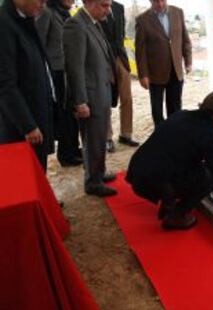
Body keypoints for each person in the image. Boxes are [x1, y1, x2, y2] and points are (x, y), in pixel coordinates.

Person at [126, 90, 213, 230]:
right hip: (153, 181)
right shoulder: (211, 135)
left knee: (189, 165)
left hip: (138, 170)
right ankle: (176, 216)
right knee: (209, 177)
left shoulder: (182, 114)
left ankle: (168, 201)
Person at [63, 0, 118, 197]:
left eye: (109, 5)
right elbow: (74, 68)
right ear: (89, 3)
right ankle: (92, 182)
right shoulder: (75, 25)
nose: (108, 10)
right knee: (92, 140)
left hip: (101, 92)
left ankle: (99, 173)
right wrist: (80, 101)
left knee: (99, 137)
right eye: (104, 5)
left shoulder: (93, 23)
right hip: (90, 96)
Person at [0, 0, 55, 171]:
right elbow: (5, 84)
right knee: (23, 176)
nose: (43, 5)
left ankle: (42, 198)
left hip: (37, 112)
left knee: (38, 169)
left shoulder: (25, 18)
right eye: (41, 0)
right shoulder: (4, 24)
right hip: (20, 125)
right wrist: (28, 125)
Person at [36, 0, 83, 167]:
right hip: (56, 72)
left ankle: (74, 148)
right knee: (63, 114)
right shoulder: (47, 12)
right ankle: (65, 154)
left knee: (72, 112)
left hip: (68, 69)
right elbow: (39, 42)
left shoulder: (66, 13)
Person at [135, 0, 192, 126]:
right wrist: (143, 75)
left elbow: (185, 39)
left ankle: (175, 135)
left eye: (162, 0)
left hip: (176, 70)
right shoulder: (142, 20)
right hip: (155, 74)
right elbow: (140, 52)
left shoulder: (178, 13)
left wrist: (188, 61)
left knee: (176, 108)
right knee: (157, 110)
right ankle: (160, 138)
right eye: (156, 1)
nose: (160, 4)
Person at [99, 0, 139, 153]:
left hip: (121, 58)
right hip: (103, 58)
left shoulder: (119, 7)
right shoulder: (95, 5)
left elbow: (120, 34)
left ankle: (126, 134)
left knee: (127, 97)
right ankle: (107, 137)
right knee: (106, 98)